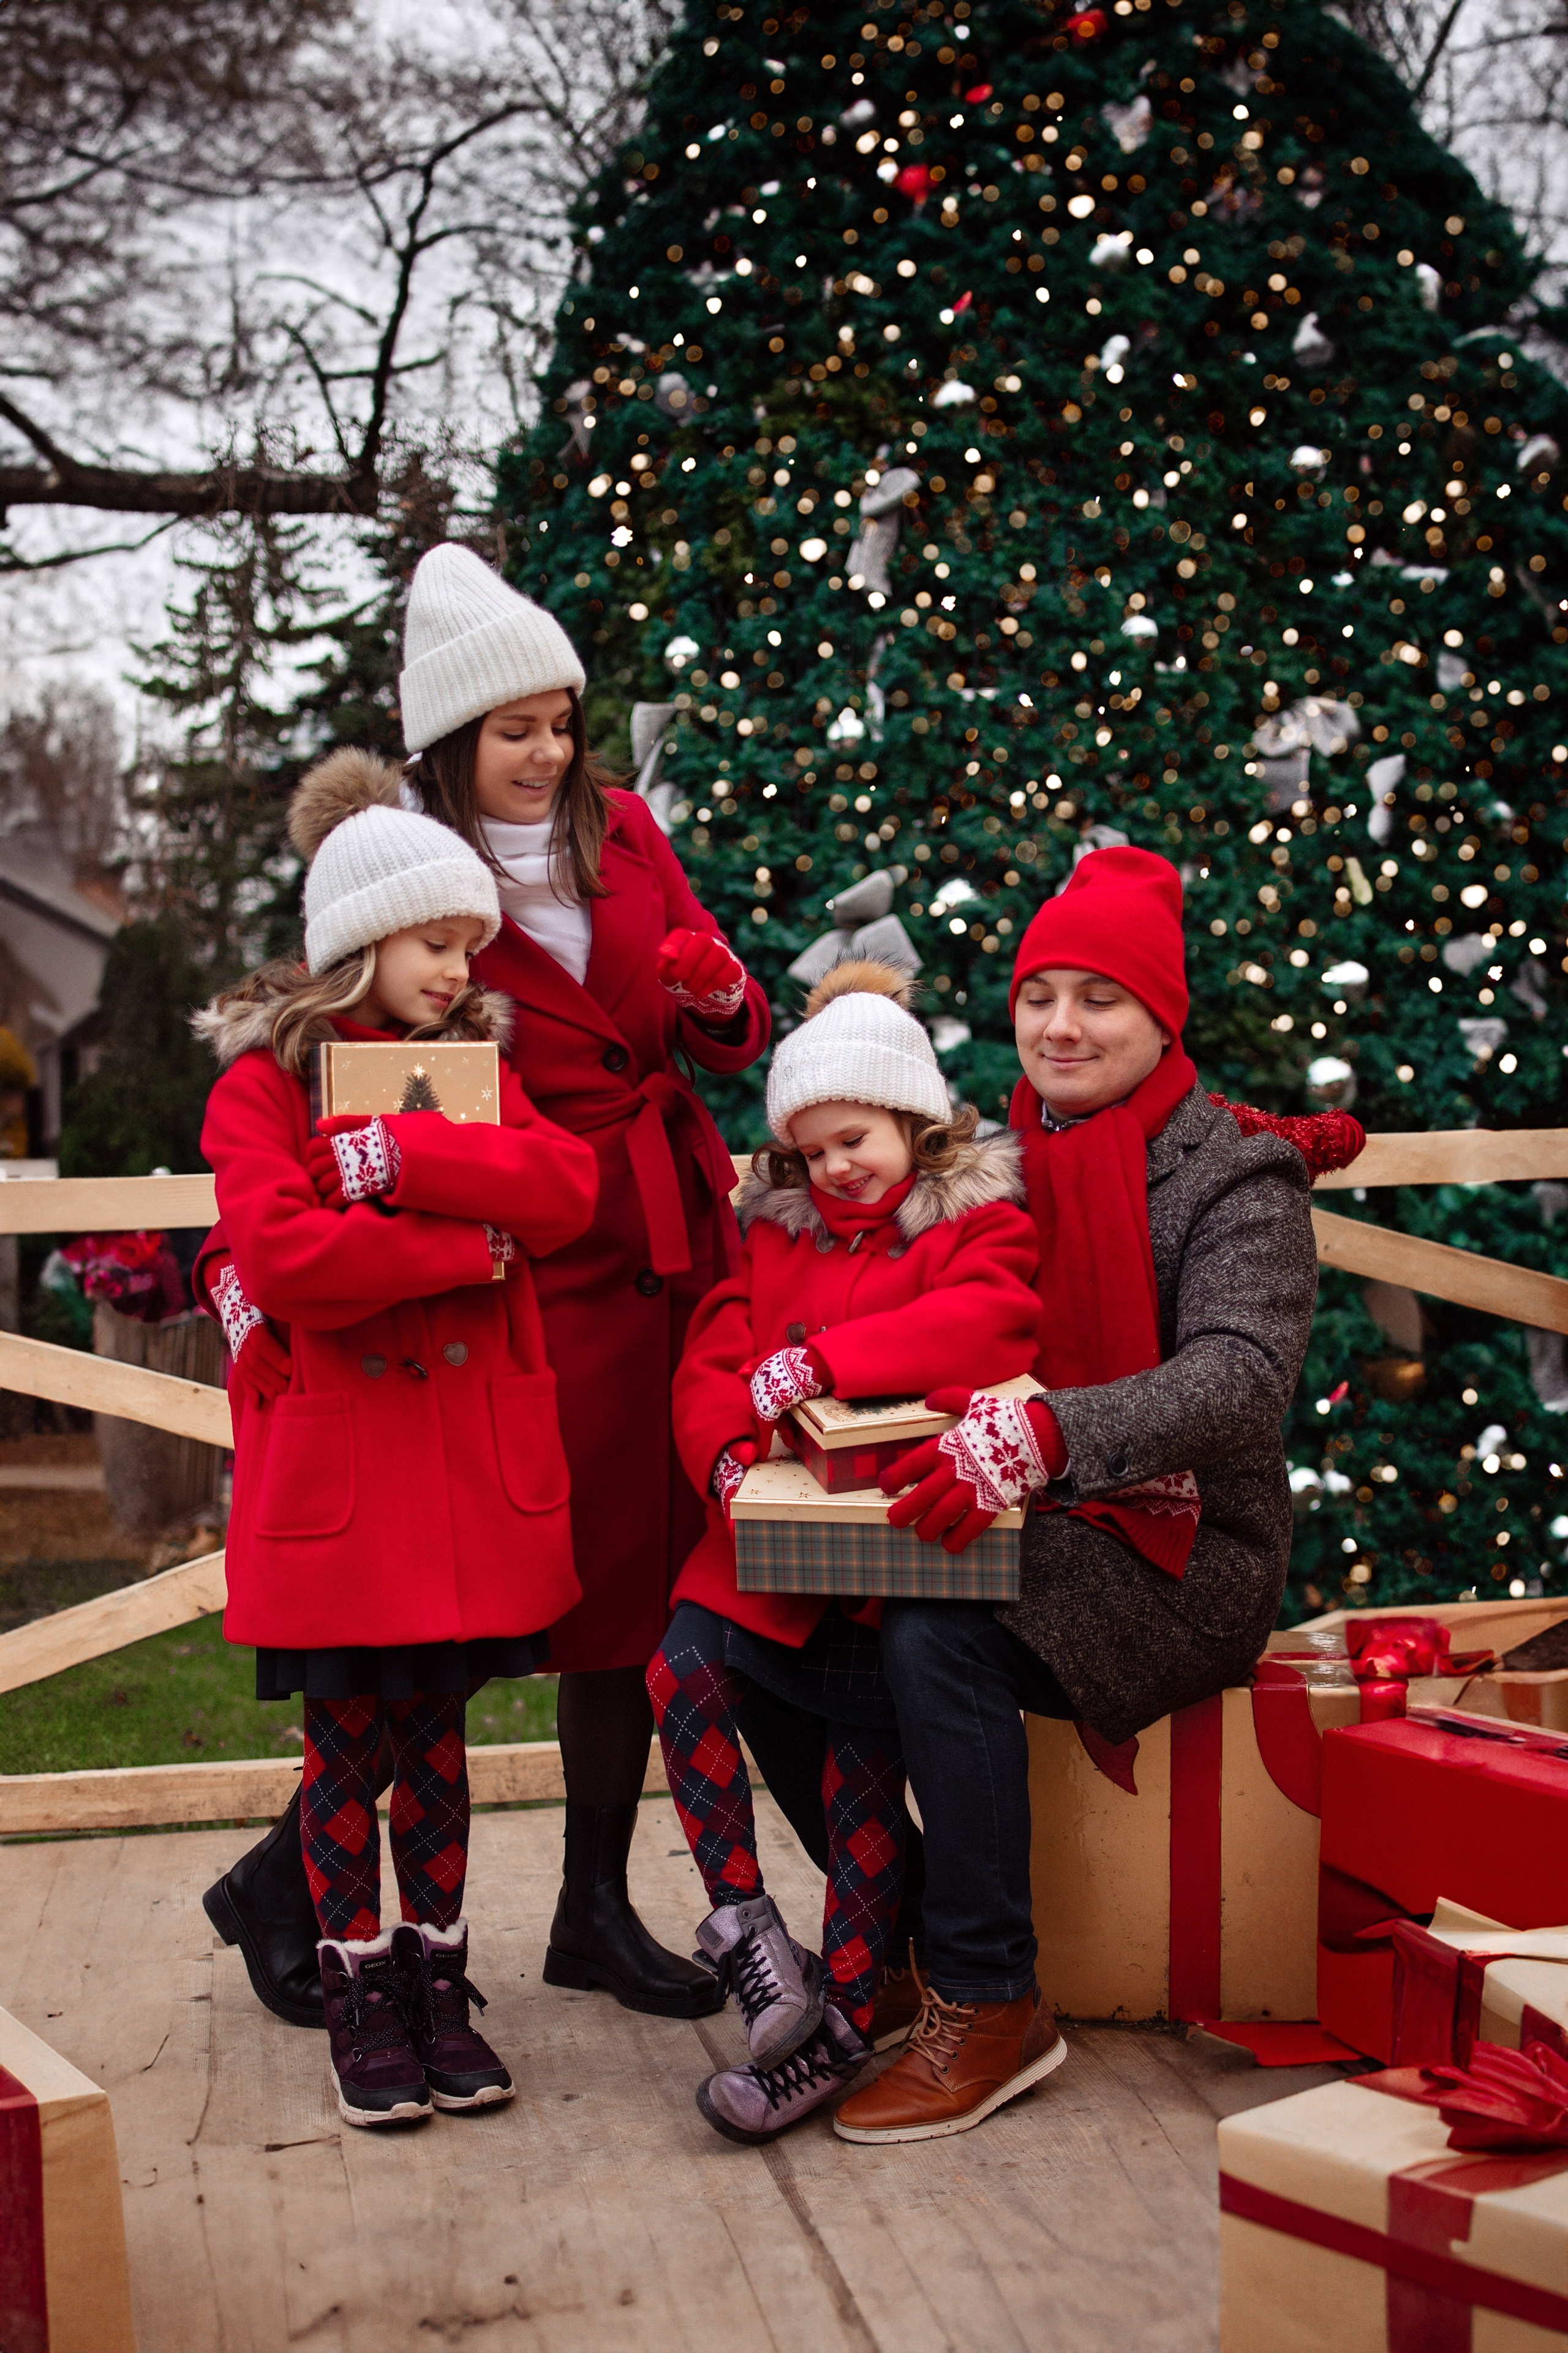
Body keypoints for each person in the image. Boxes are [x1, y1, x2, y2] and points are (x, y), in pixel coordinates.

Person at [198, 545, 767, 2028]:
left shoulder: (628, 831)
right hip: (518, 1275)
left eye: (561, 722)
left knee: (632, 1602)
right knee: (475, 1603)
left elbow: (719, 1016)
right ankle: (289, 1878)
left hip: (664, 1239)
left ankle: (590, 1905)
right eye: (513, 729)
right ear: (451, 743)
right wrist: (235, 1265)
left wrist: (721, 1000)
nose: (547, 753)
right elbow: (312, 1067)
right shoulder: (408, 870)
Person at [832, 847, 1355, 2146]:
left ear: (1159, 1014)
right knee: (755, 1633)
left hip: (1180, 1551)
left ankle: (991, 1998)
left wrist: (1049, 1434)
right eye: (1036, 995)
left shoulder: (1233, 1169)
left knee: (929, 1627)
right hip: (1014, 1509)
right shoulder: (985, 1155)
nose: (1060, 1025)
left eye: (1097, 998)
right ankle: (881, 1938)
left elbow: (1236, 1380)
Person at [196, 754, 599, 2127]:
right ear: (364, 937)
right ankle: (355, 1990)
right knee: (342, 1748)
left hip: (461, 1483)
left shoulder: (477, 1070)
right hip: (347, 1486)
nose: (459, 964)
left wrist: (403, 1163)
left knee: (435, 1743)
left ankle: (436, 1983)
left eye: (471, 940)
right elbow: (288, 1260)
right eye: (439, 938)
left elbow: (564, 1187)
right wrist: (458, 1242)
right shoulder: (260, 1088)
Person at [652, 962, 1041, 2143]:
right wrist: (725, 1453)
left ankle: (846, 2015)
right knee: (679, 1667)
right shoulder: (776, 1238)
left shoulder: (977, 1220)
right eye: (812, 1150)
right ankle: (755, 1943)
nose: (835, 1168)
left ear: (915, 1124)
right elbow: (713, 1355)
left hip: (890, 1563)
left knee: (862, 1783)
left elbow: (990, 1319)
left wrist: (830, 1361)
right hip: (771, 1555)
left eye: (857, 1138)